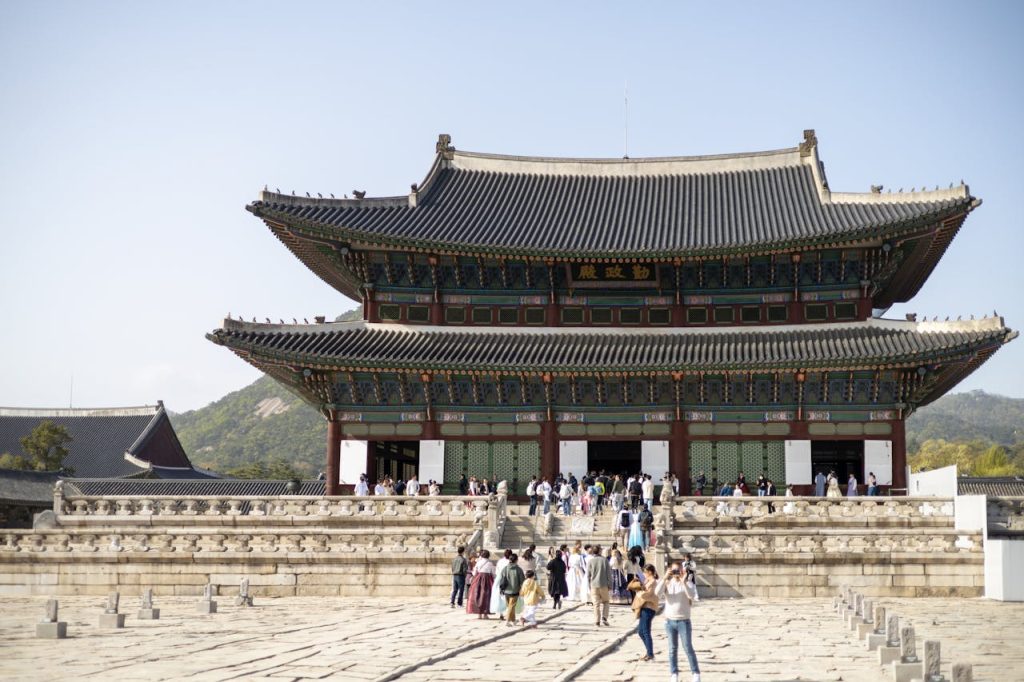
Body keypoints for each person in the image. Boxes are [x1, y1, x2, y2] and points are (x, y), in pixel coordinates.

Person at [656, 561, 701, 682]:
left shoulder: (688, 583)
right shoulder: (667, 583)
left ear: (682, 570)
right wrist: (664, 577)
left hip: (683, 621)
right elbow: (657, 593)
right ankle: (674, 673)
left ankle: (695, 673)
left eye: (678, 570)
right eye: (674, 570)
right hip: (670, 621)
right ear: (670, 570)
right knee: (672, 649)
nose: (676, 572)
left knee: (688, 648)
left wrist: (683, 581)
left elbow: (691, 596)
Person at [629, 564, 660, 661]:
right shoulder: (647, 580)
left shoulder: (653, 581)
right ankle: (649, 652)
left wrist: (639, 592)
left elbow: (647, 594)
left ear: (649, 572)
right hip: (644, 606)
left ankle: (650, 654)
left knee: (645, 632)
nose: (644, 574)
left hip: (649, 607)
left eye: (645, 572)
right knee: (640, 632)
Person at [586, 545, 611, 626]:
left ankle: (597, 620)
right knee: (606, 601)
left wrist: (589, 585)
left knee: (596, 604)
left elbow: (588, 575)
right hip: (604, 584)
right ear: (600, 551)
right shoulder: (605, 560)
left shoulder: (590, 561)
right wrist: (610, 585)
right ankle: (604, 617)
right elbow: (609, 574)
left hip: (594, 585)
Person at [498, 553, 525, 627]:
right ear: (516, 560)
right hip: (514, 590)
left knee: (510, 606)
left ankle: (513, 620)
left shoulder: (505, 568)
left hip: (506, 590)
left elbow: (501, 578)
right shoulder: (518, 569)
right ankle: (507, 621)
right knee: (511, 606)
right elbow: (522, 581)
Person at [467, 549, 495, 619]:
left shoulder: (478, 563)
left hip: (478, 579)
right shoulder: (490, 563)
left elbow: (474, 573)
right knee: (487, 596)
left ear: (481, 555)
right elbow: (493, 573)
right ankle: (485, 614)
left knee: (478, 595)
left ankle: (479, 614)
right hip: (488, 580)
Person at [490, 549, 512, 616]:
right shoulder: (510, 562)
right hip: (508, 578)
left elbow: (497, 571)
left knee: (499, 595)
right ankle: (507, 612)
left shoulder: (500, 561)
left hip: (499, 578)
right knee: (508, 595)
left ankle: (501, 613)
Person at [546, 545, 568, 609]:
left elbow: (548, 567)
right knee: (558, 592)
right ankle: (557, 602)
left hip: (553, 578)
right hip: (560, 579)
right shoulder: (562, 562)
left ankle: (555, 603)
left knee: (554, 591)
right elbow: (564, 570)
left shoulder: (553, 561)